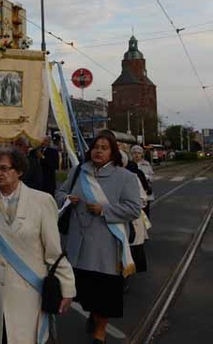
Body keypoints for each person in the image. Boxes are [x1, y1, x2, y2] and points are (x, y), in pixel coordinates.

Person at [0, 148, 75, 343]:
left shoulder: (42, 201)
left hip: (30, 291)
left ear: (18, 171)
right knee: (3, 337)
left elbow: (53, 251)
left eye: (4, 168)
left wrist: (67, 286)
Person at [55, 131, 141, 344]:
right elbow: (57, 194)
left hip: (107, 247)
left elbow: (134, 209)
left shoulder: (125, 177)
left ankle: (100, 331)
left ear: (113, 152)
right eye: (96, 147)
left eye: (104, 148)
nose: (98, 151)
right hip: (79, 245)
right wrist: (66, 199)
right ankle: (93, 315)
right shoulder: (77, 172)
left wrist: (105, 210)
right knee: (84, 292)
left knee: (104, 294)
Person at [130, 145, 154, 216]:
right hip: (133, 194)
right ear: (131, 154)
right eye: (134, 153)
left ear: (142, 154)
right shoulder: (129, 164)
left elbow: (152, 178)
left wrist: (146, 177)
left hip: (145, 194)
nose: (137, 155)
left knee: (145, 216)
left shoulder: (146, 164)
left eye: (139, 153)